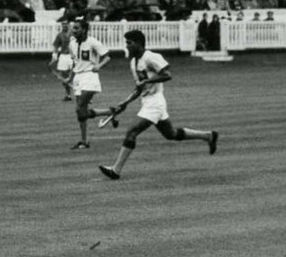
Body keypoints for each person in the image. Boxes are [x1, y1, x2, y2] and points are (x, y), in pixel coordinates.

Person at [97, 29, 218, 180]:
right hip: (147, 101)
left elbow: (167, 74)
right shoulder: (133, 63)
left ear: (139, 44)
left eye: (129, 43)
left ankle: (116, 170)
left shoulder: (151, 57)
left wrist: (148, 81)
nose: (127, 46)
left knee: (131, 132)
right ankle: (208, 136)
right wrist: (125, 102)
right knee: (171, 134)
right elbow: (139, 88)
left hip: (155, 102)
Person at [64, 19, 111, 150]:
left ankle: (110, 112)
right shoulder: (72, 44)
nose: (73, 30)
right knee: (81, 114)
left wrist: (99, 65)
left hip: (90, 76)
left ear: (84, 30)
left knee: (79, 108)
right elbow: (75, 62)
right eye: (73, 28)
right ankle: (84, 141)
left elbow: (107, 57)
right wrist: (70, 77)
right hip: (78, 78)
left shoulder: (93, 42)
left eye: (76, 28)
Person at [49, 19, 77, 102]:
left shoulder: (74, 34)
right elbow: (56, 46)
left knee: (74, 75)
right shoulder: (60, 35)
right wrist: (54, 56)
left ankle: (80, 93)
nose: (64, 25)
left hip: (73, 56)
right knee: (63, 76)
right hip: (63, 56)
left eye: (66, 24)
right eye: (63, 24)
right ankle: (68, 94)